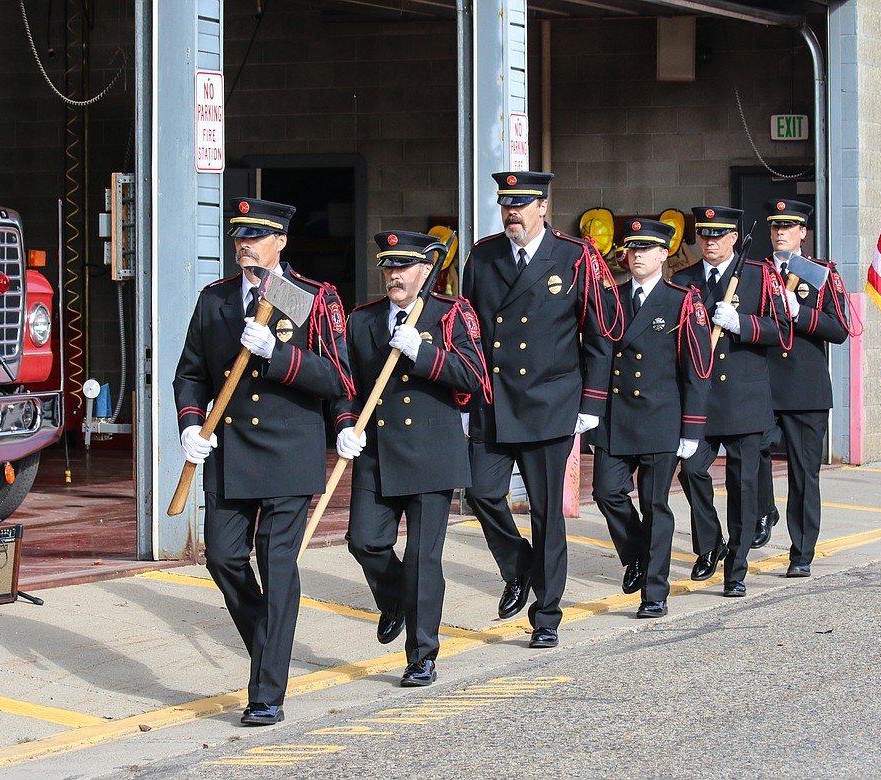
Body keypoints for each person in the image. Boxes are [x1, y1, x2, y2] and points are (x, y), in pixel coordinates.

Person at [173, 197, 353, 726]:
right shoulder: (216, 300)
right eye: (238, 237)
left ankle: (266, 694)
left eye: (256, 236)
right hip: (229, 453)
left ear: (281, 242)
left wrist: (280, 357)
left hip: (287, 454)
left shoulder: (308, 298)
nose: (244, 245)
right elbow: (191, 373)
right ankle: (271, 651)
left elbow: (338, 379)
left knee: (276, 567)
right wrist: (188, 424)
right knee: (224, 558)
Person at [461, 170, 622, 649]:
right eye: (506, 203)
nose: (512, 212)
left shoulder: (574, 257)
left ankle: (547, 612)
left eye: (522, 203)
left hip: (550, 403)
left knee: (547, 513)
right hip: (493, 400)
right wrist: (465, 398)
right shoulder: (483, 255)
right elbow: (466, 329)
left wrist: (592, 402)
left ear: (542, 207)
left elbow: (598, 335)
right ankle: (520, 566)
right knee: (481, 494)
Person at [335, 230, 487, 687]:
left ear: (426, 270)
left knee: (423, 559)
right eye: (389, 267)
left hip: (431, 453)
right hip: (379, 453)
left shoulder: (449, 315)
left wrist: (425, 353)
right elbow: (347, 383)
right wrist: (344, 424)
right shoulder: (362, 320)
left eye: (404, 267)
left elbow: (475, 376)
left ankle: (422, 655)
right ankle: (398, 599)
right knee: (364, 541)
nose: (394, 276)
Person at [591, 218, 712, 618]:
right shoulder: (613, 297)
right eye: (633, 248)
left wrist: (692, 428)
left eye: (646, 248)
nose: (637, 255)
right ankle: (637, 556)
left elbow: (697, 367)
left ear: (664, 254)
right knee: (606, 492)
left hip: (661, 418)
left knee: (655, 504)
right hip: (616, 417)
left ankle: (654, 592)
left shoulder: (681, 300)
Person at [671, 205, 788, 597]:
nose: (710, 242)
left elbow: (782, 330)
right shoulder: (685, 279)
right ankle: (709, 543)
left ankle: (736, 568)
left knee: (742, 486)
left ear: (734, 238)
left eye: (718, 235)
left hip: (743, 399)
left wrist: (744, 324)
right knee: (691, 471)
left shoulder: (758, 276)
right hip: (701, 401)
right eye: (704, 235)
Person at [754, 198, 852, 578]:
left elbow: (839, 329)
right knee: (753, 453)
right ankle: (765, 509)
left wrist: (802, 314)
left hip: (804, 390)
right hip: (761, 385)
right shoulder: (756, 271)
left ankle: (802, 551)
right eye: (775, 226)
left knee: (802, 473)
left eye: (788, 227)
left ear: (802, 233)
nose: (780, 232)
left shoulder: (820, 274)